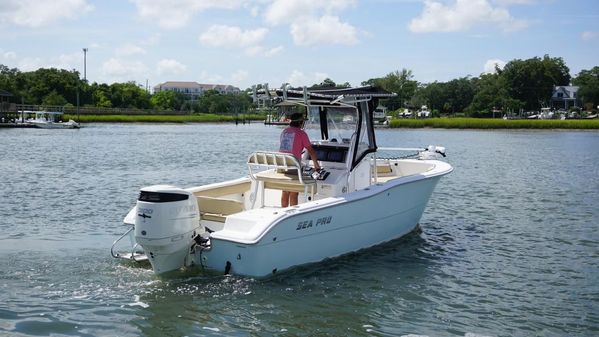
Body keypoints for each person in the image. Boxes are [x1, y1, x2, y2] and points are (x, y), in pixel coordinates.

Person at [279, 112, 320, 207]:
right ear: (301, 123)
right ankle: (293, 214)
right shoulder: (302, 133)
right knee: (294, 193)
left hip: (282, 165)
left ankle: (283, 211)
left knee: (285, 192)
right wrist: (316, 165)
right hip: (293, 165)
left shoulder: (284, 132)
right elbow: (311, 151)